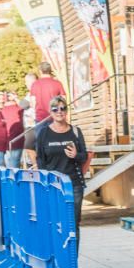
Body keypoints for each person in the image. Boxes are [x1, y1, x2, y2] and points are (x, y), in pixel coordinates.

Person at [34, 96, 88, 244]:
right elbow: (40, 159)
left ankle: (72, 264)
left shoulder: (75, 132)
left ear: (67, 111)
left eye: (63, 108)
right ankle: (58, 260)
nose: (59, 112)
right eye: (55, 109)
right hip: (53, 185)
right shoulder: (44, 133)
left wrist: (76, 155)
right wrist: (44, 181)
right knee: (55, 223)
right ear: (50, 112)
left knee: (73, 224)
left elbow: (84, 156)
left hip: (74, 185)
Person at [1, 92, 25, 168]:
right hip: (8, 142)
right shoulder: (2, 109)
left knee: (12, 165)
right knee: (12, 166)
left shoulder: (18, 108)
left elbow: (24, 105)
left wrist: (15, 98)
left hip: (15, 140)